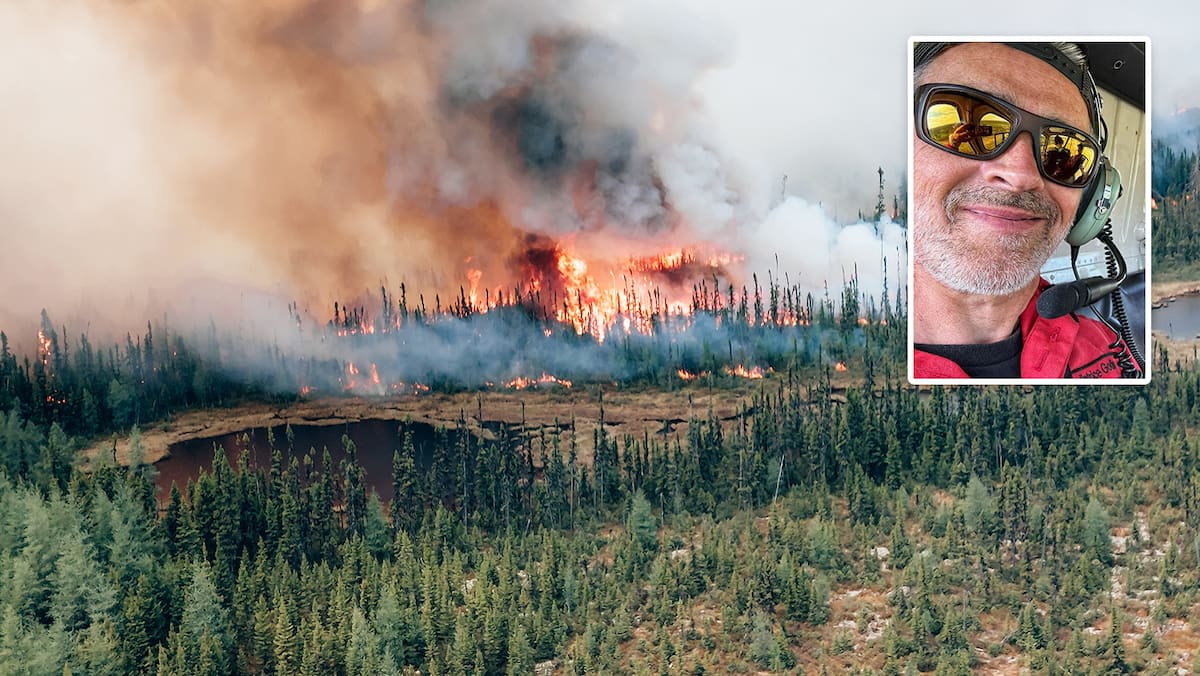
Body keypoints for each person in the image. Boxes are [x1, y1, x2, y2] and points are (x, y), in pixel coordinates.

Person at [911, 42, 1137, 379]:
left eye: (1066, 152)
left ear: (1091, 194)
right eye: (966, 128)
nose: (1021, 176)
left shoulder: (1109, 352)